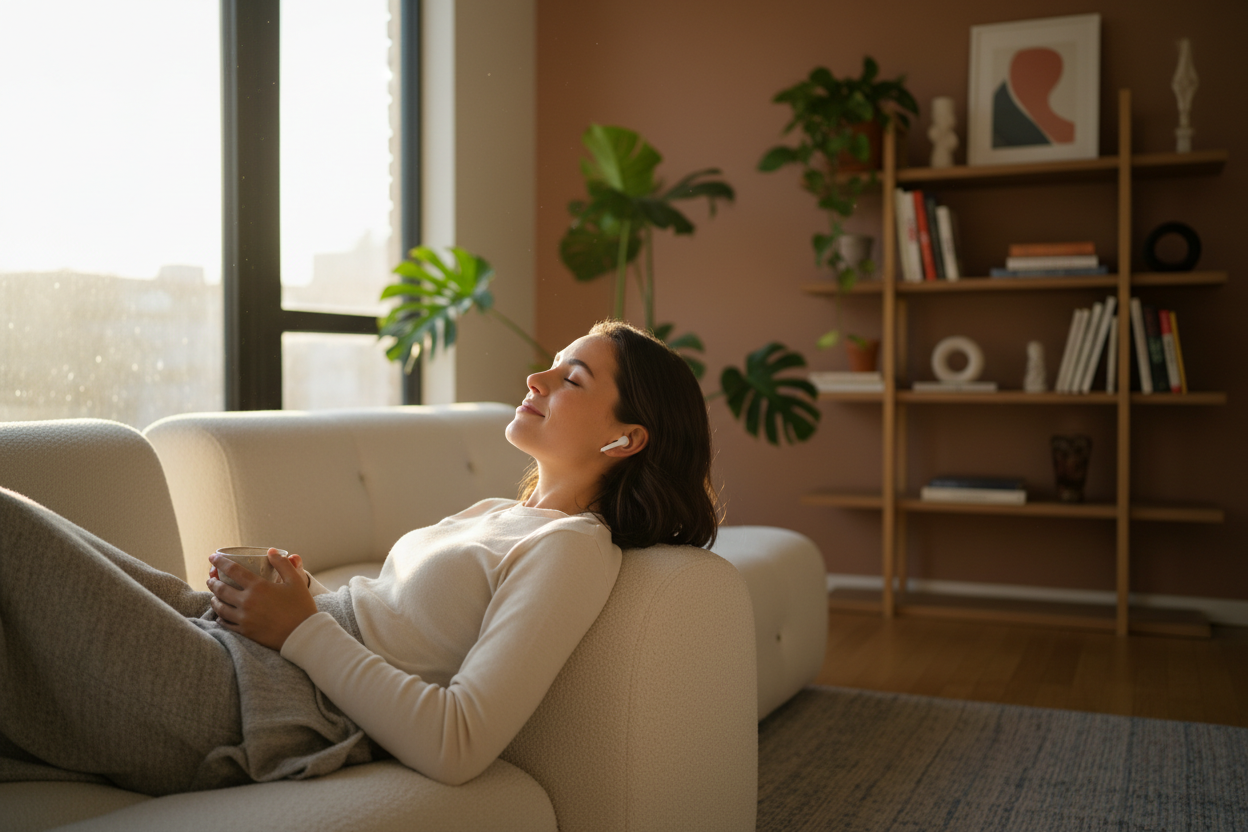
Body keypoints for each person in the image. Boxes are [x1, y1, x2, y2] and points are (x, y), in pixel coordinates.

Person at [0, 320, 719, 796]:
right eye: (553, 367)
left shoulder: (571, 552)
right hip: (239, 647)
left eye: (572, 381)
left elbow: (458, 740)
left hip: (246, 703)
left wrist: (302, 628)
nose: (536, 380)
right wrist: (299, 592)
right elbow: (400, 625)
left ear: (626, 440)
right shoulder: (502, 514)